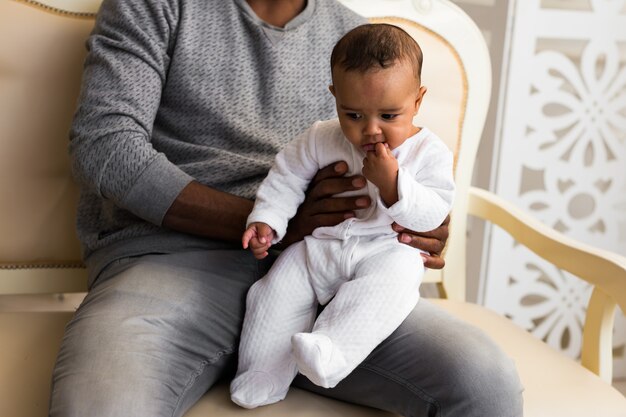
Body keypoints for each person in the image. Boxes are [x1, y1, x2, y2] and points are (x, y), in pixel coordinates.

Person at [49, 0, 523, 416]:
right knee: (102, 405)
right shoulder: (157, 6)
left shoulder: (356, 40)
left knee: (484, 382)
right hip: (171, 262)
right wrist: (269, 222)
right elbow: (104, 148)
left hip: (335, 279)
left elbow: (408, 160)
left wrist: (421, 216)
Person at [230, 23, 455, 409]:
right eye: (352, 114)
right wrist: (267, 219)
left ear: (417, 101)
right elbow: (287, 176)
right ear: (334, 97)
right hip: (322, 246)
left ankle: (331, 351)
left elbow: (435, 212)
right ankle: (261, 374)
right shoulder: (322, 137)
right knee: (273, 294)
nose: (370, 130)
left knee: (393, 287)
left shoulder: (429, 153)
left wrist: (394, 184)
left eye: (388, 115)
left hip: (385, 251)